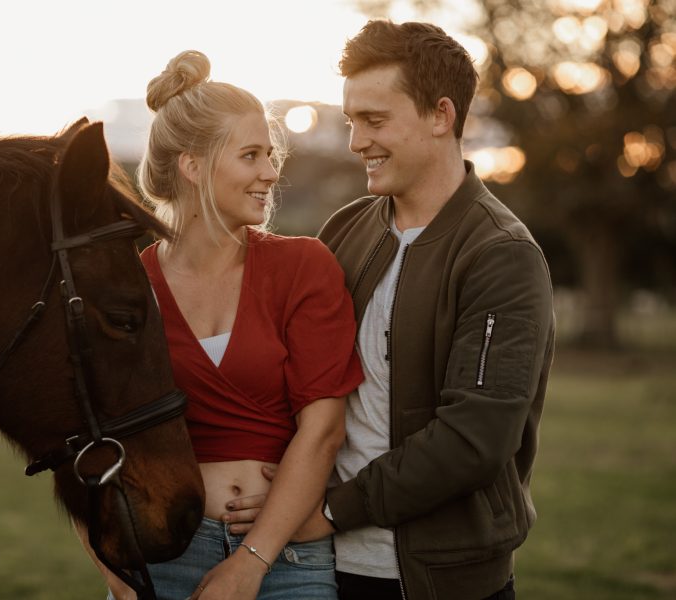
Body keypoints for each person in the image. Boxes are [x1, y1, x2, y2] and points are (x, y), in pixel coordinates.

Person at [225, 20, 555, 600]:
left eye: (375, 121)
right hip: (321, 568)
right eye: (352, 121)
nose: (356, 141)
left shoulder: (500, 255)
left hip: (439, 579)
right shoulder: (347, 230)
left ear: (440, 116)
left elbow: (473, 440)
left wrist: (328, 510)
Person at [99, 50, 363, 600]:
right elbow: (84, 439)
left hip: (285, 557)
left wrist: (251, 562)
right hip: (160, 556)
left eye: (271, 154)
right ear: (193, 166)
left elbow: (323, 431)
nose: (270, 172)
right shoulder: (128, 289)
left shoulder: (303, 267)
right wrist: (116, 578)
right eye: (251, 155)